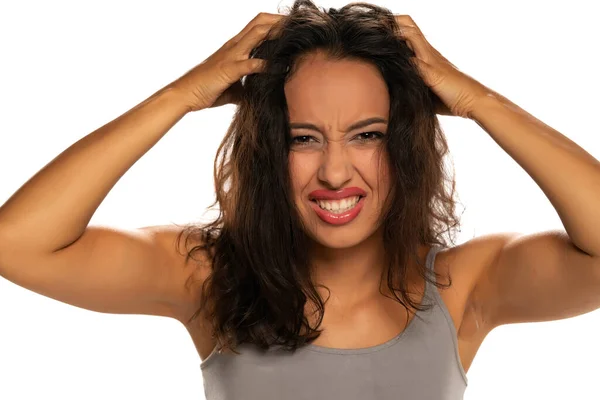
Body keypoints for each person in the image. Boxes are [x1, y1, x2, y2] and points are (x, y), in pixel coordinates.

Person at [1, 1, 600, 399]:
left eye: (368, 135)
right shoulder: (211, 279)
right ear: (266, 151)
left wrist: (479, 101)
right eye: (303, 139)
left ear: (406, 145)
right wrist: (181, 95)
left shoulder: (464, 286)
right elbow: (17, 244)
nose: (335, 171)